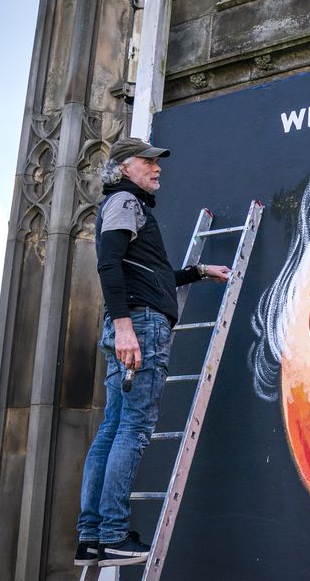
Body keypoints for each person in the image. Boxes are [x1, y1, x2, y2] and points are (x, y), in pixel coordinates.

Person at [75, 137, 229, 567]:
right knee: (134, 429)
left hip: (133, 322)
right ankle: (113, 534)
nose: (157, 168)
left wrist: (197, 272)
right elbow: (108, 264)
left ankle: (91, 537)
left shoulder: (128, 206)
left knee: (112, 428)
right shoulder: (125, 202)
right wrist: (126, 328)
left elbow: (147, 275)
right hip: (139, 326)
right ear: (126, 167)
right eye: (148, 161)